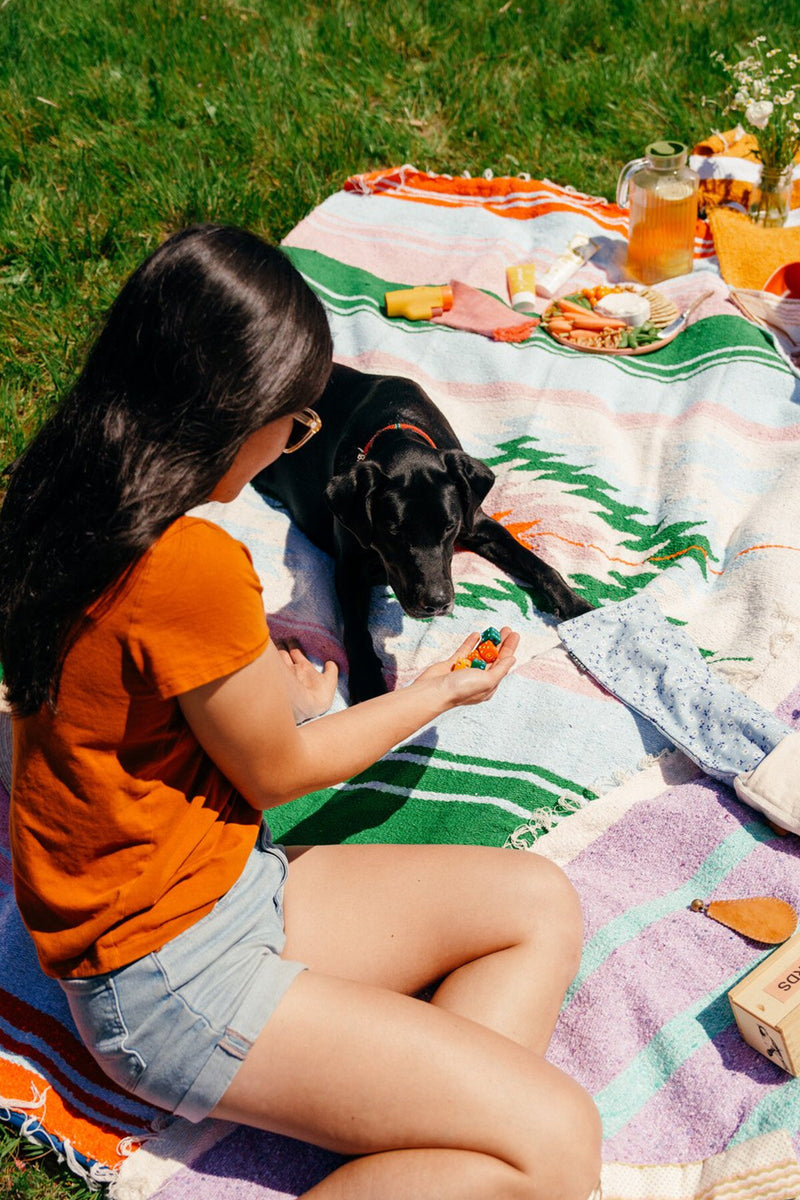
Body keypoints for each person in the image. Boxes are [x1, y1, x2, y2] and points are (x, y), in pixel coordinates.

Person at [0, 225, 601, 1200]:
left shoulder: (63, 492)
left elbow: (124, 691)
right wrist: (440, 691)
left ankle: (419, 1131)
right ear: (238, 416)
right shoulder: (190, 564)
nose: (295, 443)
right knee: (557, 1145)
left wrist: (270, 690)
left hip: (219, 890)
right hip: (169, 980)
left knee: (533, 902)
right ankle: (457, 1138)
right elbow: (279, 770)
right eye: (296, 424)